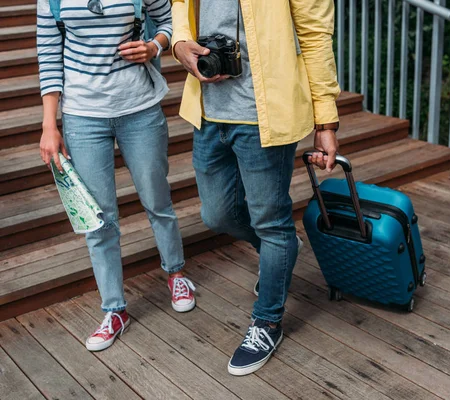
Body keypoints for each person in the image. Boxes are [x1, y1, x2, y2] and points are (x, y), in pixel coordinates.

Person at [172, 0, 341, 375]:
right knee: (217, 214)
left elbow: (315, 37)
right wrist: (179, 43)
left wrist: (325, 122)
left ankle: (267, 322)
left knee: (271, 222)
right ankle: (279, 251)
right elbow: (180, 7)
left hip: (263, 115)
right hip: (207, 112)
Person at [37, 0, 196, 352]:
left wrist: (154, 45)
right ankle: (114, 309)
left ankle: (176, 273)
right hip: (82, 115)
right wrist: (50, 125)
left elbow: (169, 19)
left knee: (157, 198)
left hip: (139, 108)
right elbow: (48, 55)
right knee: (99, 218)